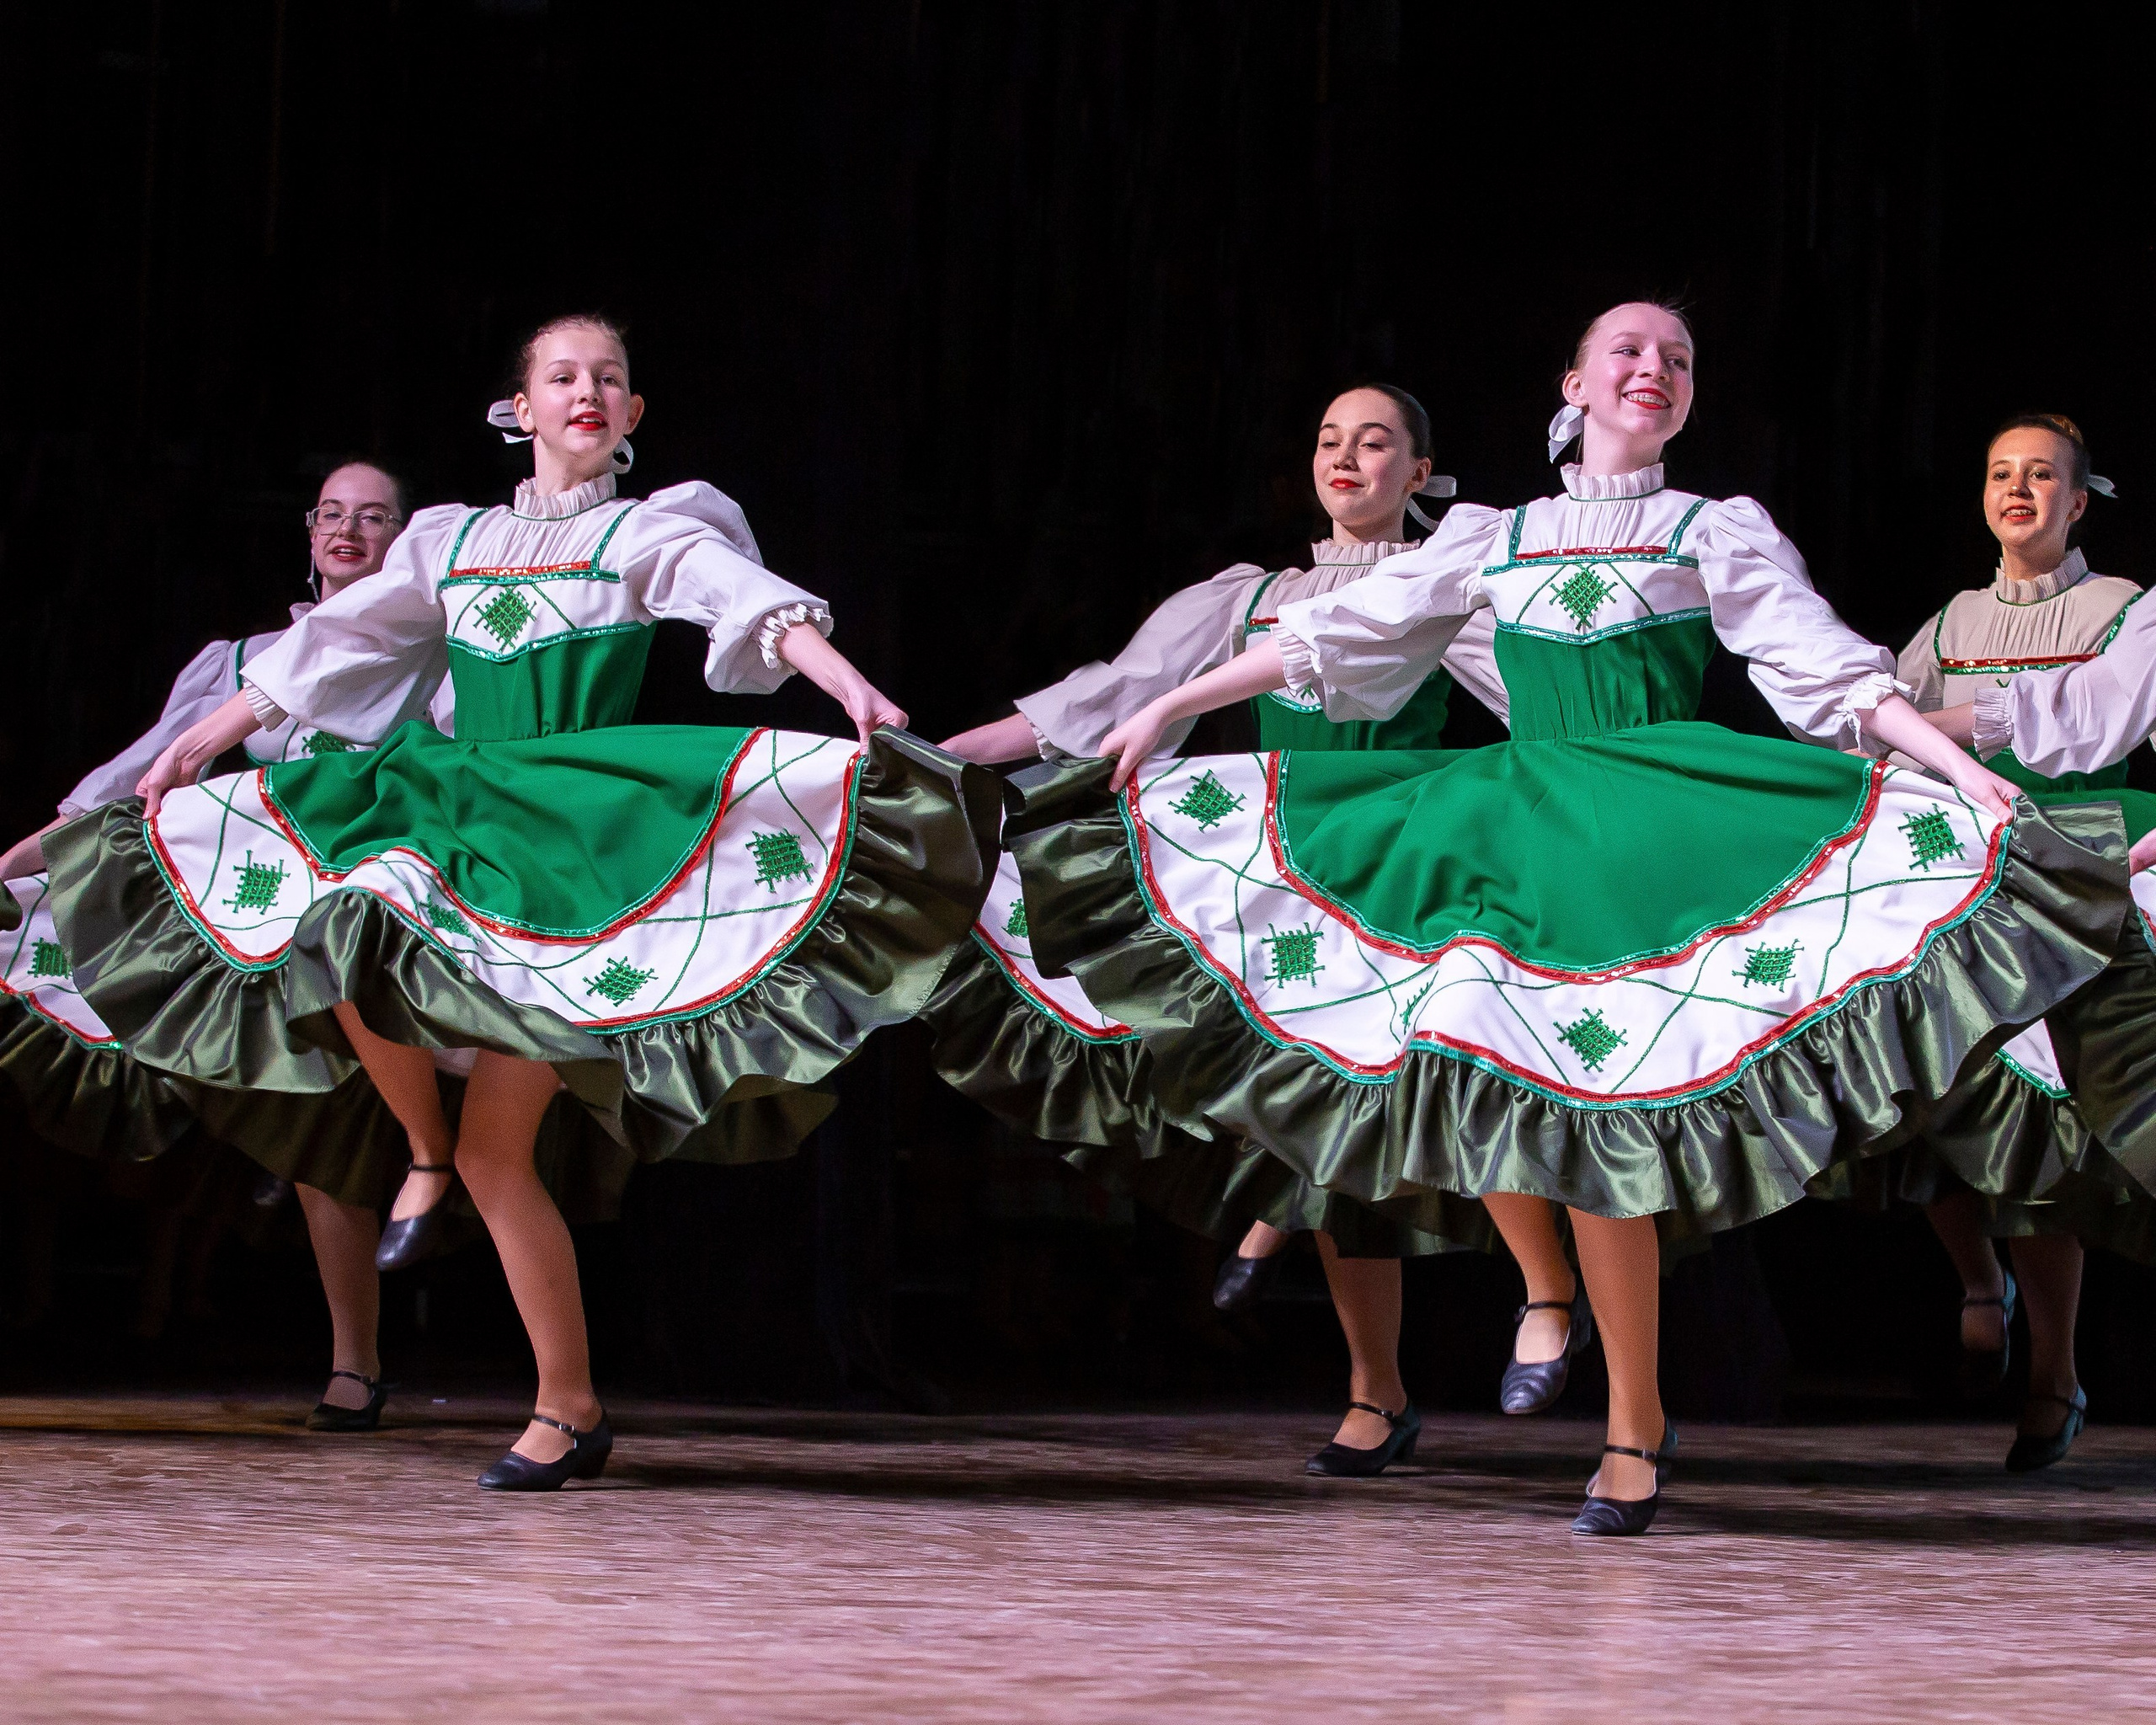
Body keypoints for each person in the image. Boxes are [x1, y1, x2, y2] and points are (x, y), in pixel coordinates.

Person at [1007, 301, 2125, 1534]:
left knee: (1613, 1124)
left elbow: (1825, 670)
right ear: (1576, 384)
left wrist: (1963, 771)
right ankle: (1538, 1311)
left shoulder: (1716, 528)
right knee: (1457, 1043)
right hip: (1521, 827)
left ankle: (1634, 1426)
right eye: (1630, 353)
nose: (1654, 370)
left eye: (1680, 359)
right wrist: (1179, 704)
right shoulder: (1499, 534)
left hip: (1655, 839)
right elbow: (1346, 631)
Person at [48, 314, 993, 1490]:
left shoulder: (646, 528)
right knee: (349, 912)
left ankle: (563, 1398)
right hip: (460, 809)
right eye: (564, 378)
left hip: (574, 841)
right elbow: (339, 644)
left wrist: (851, 687)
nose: (588, 393)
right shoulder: (451, 540)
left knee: (507, 1151)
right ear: (522, 409)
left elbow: (748, 599)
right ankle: (431, 1163)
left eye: (610, 380)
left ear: (632, 416)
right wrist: (206, 736)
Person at [934, 384, 1588, 1477]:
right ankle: (1374, 1388)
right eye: (1332, 438)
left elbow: (1540, 701)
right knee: (1319, 1094)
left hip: (1414, 845)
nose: (1349, 457)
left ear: (1421, 472)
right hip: (1292, 854)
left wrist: (1608, 794)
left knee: (1466, 1055)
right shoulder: (1250, 596)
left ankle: (1545, 1289)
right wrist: (944, 758)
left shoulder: (1446, 584)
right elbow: (1120, 697)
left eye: (1377, 441)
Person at [1, 462, 438, 1429]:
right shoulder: (239, 661)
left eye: (372, 518)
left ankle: (369, 1359)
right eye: (332, 513)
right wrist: (25, 857)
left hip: (363, 905)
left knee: (345, 1126)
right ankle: (342, 1355)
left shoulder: (430, 660)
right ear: (309, 530)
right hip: (251, 903)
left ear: (403, 538)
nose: (348, 531)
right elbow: (138, 775)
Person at [1873, 414, 2156, 1470]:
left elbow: (2101, 718)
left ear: (2079, 501)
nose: (2018, 489)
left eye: (2043, 475)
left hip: (2090, 861)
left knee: (2045, 1123)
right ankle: (1978, 1281)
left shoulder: (2123, 611)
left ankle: (2053, 1370)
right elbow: (1880, 736)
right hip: (1969, 869)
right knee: (1926, 1080)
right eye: (2000, 473)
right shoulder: (1946, 623)